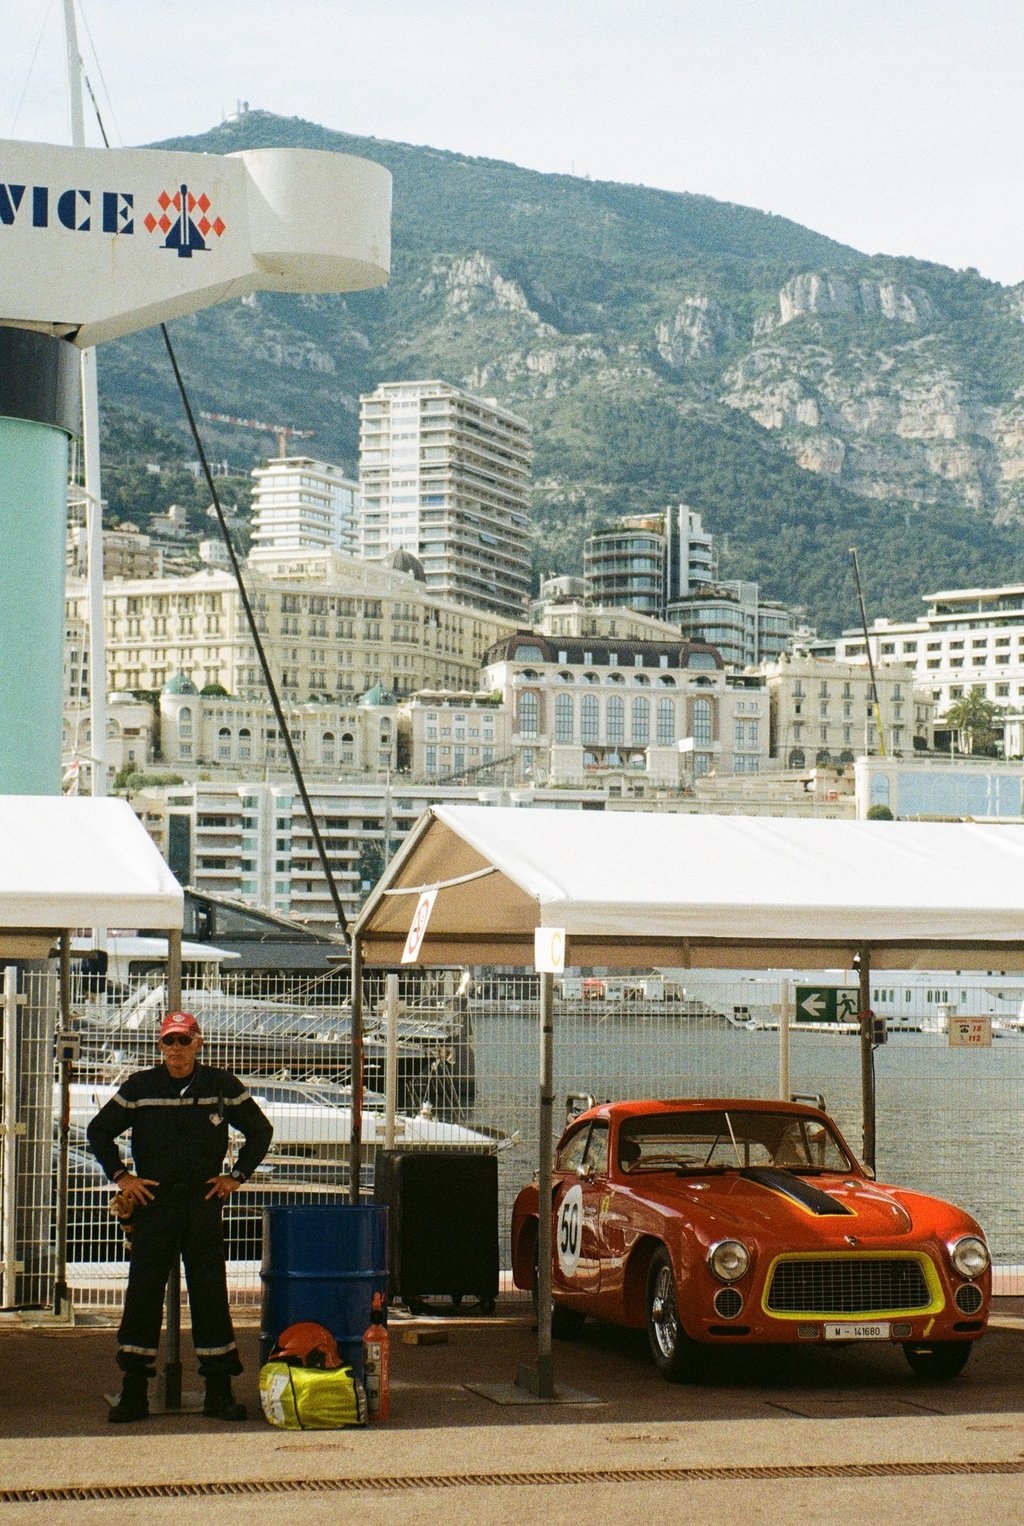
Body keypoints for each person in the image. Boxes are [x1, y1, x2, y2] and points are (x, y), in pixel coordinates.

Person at [87, 1010, 274, 1424]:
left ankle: (219, 1392)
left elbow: (260, 1131)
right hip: (153, 1204)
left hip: (202, 1203)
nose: (176, 1050)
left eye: (184, 1041)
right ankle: (134, 1392)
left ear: (198, 1043)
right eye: (168, 1042)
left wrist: (235, 1177)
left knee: (209, 1293)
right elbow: (98, 1131)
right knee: (143, 1293)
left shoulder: (221, 1086)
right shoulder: (140, 1086)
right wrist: (122, 1177)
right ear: (160, 1046)